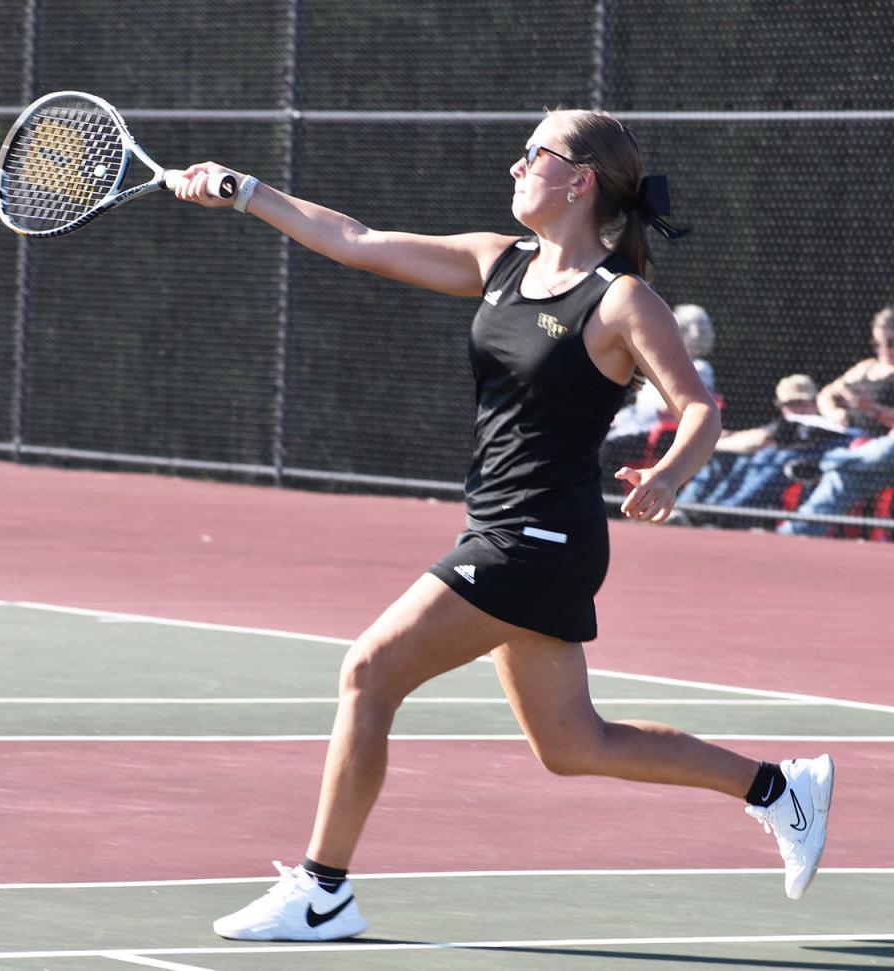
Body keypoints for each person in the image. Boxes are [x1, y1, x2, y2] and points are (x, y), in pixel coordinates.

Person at [174, 108, 834, 942]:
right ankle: (781, 789)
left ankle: (322, 889)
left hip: (536, 539)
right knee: (573, 743)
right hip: (505, 526)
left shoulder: (621, 299)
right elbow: (356, 238)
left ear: (580, 179)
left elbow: (698, 406)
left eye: (535, 153)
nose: (516, 165)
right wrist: (245, 193)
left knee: (370, 670)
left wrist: (669, 474)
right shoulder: (498, 263)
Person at [779, 307, 894, 537]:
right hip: (855, 450)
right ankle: (793, 533)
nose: (884, 350)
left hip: (880, 447)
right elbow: (827, 394)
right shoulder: (865, 367)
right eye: (877, 344)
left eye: (891, 343)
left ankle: (822, 464)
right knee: (845, 476)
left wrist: (872, 409)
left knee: (881, 451)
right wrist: (834, 413)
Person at [679, 374, 852, 518]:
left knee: (763, 456)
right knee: (736, 457)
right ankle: (690, 508)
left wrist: (709, 444)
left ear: (814, 403)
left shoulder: (816, 425)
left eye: (800, 402)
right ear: (782, 407)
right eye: (789, 404)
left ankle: (719, 513)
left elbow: (755, 441)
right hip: (779, 468)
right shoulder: (790, 425)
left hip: (804, 470)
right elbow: (757, 436)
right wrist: (721, 439)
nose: (795, 409)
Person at [600, 303, 717, 491]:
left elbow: (670, 406)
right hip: (637, 422)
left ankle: (610, 505)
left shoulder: (700, 368)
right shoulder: (665, 361)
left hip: (658, 432)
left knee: (606, 448)